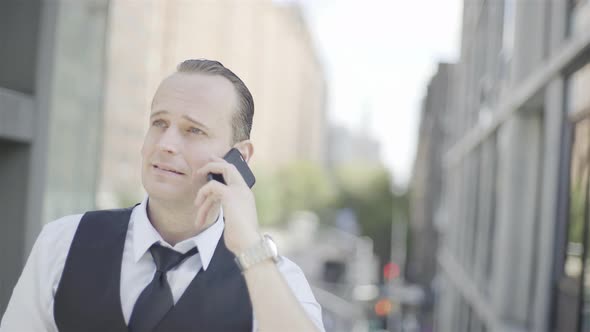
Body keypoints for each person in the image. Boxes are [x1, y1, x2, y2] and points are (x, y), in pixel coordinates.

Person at [0, 59, 324, 332]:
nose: (166, 143)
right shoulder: (63, 241)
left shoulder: (274, 280)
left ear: (239, 157)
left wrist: (249, 248)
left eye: (193, 130)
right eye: (159, 123)